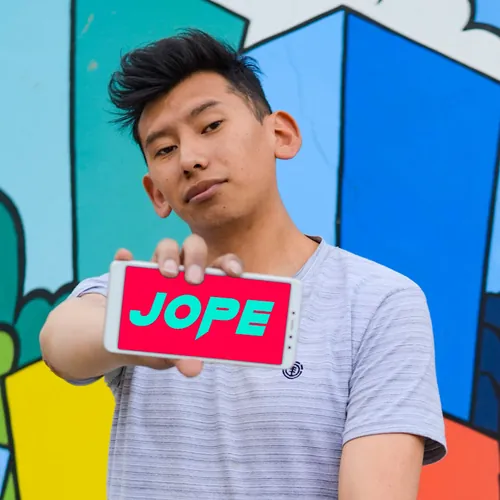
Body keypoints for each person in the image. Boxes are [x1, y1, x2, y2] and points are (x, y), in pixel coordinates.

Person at [40, 29, 446, 500]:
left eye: (211, 125)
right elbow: (59, 343)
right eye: (165, 149)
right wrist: (143, 331)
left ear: (281, 135)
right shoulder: (143, 297)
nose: (190, 159)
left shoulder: (378, 302)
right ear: (156, 193)